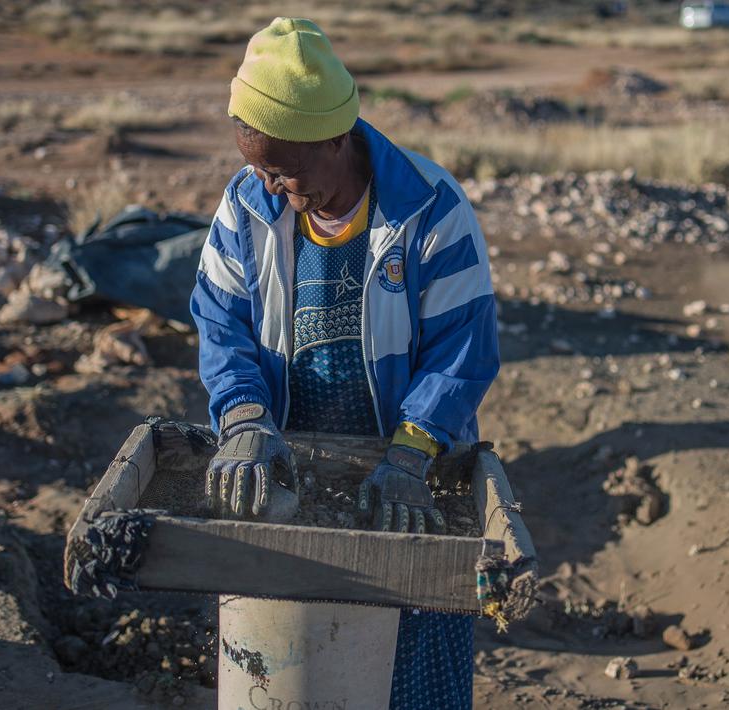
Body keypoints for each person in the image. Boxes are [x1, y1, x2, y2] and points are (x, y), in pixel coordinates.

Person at [190, 17, 499, 709]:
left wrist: (412, 454)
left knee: (410, 632)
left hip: (410, 460)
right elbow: (220, 322)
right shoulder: (246, 206)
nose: (271, 186)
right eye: (259, 167)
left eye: (284, 170)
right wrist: (243, 416)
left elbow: (462, 349)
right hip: (291, 453)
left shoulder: (429, 209)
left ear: (337, 138)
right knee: (292, 650)